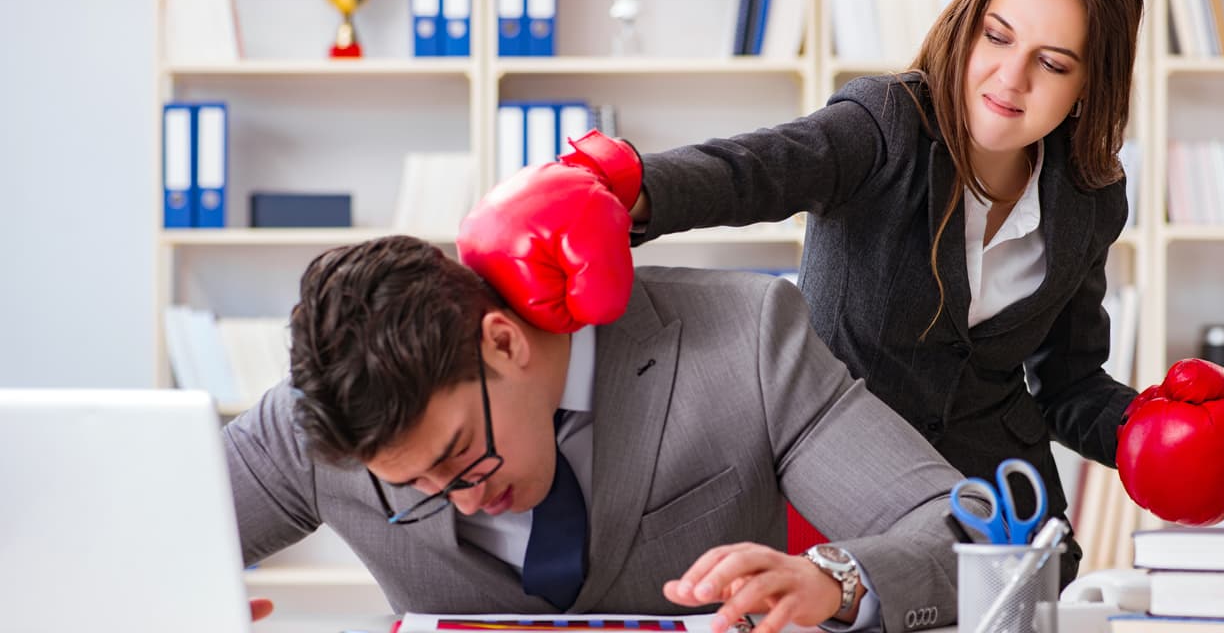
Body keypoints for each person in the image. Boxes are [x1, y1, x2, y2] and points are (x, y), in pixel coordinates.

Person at [455, 0, 1224, 585]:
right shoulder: (886, 126)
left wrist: (1143, 434)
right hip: (838, 500)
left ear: (1089, 86)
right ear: (968, 25)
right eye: (996, 36)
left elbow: (1066, 382)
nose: (1009, 78)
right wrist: (615, 187)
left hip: (1003, 520)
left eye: (1051, 63)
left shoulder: (1091, 196)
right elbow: (752, 169)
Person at [224, 234, 977, 633]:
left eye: (459, 457)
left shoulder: (742, 340)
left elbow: (967, 531)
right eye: (413, 486)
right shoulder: (319, 425)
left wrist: (834, 582)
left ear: (502, 342)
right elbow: (154, 543)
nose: (462, 500)